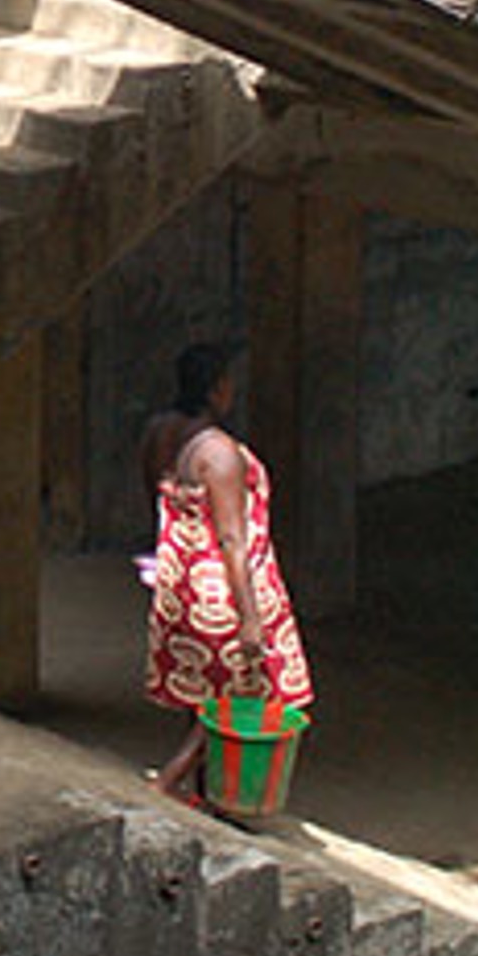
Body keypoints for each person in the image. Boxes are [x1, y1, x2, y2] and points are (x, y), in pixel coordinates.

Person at [139, 340, 313, 804]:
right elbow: (233, 538)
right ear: (217, 390)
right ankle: (173, 779)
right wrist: (251, 617)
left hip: (184, 577)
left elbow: (158, 494)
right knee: (250, 688)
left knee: (202, 687)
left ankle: (204, 787)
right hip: (224, 585)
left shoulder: (160, 432)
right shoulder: (220, 454)